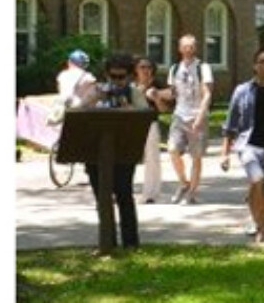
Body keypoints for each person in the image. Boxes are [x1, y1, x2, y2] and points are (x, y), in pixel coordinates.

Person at [220, 47, 264, 243]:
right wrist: (225, 154)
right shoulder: (242, 91)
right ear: (254, 66)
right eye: (262, 62)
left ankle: (263, 232)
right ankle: (257, 221)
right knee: (257, 179)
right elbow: (230, 124)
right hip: (248, 145)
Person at [82, 53, 141, 249]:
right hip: (95, 153)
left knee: (124, 195)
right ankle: (108, 241)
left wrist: (128, 108)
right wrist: (90, 100)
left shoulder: (134, 92)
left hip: (123, 152)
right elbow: (78, 111)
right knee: (102, 198)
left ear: (130, 76)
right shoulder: (96, 90)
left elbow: (145, 117)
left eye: (121, 77)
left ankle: (130, 242)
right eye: (112, 76)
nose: (116, 81)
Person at [165, 34, 213, 204]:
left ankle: (192, 192)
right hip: (179, 114)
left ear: (195, 48)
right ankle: (184, 182)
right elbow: (172, 94)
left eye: (191, 46)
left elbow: (207, 93)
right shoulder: (174, 69)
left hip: (196, 114)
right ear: (179, 48)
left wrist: (200, 116)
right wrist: (155, 94)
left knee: (196, 156)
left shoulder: (203, 67)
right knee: (172, 149)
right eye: (185, 46)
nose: (188, 50)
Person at [132, 57, 171, 203]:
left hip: (150, 123)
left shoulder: (157, 85)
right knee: (129, 158)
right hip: (132, 124)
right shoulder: (131, 85)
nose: (145, 70)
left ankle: (151, 194)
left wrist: (156, 98)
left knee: (152, 158)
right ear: (136, 69)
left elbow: (164, 109)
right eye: (142, 67)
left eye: (148, 67)